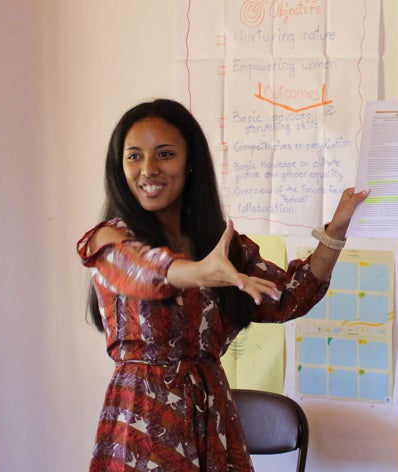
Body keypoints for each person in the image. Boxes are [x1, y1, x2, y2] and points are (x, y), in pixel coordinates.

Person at [77, 99, 370, 470]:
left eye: (164, 154)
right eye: (134, 156)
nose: (148, 169)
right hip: (143, 421)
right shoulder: (109, 240)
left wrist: (337, 229)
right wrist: (197, 272)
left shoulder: (222, 246)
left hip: (212, 418)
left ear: (190, 162)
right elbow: (144, 272)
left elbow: (291, 297)